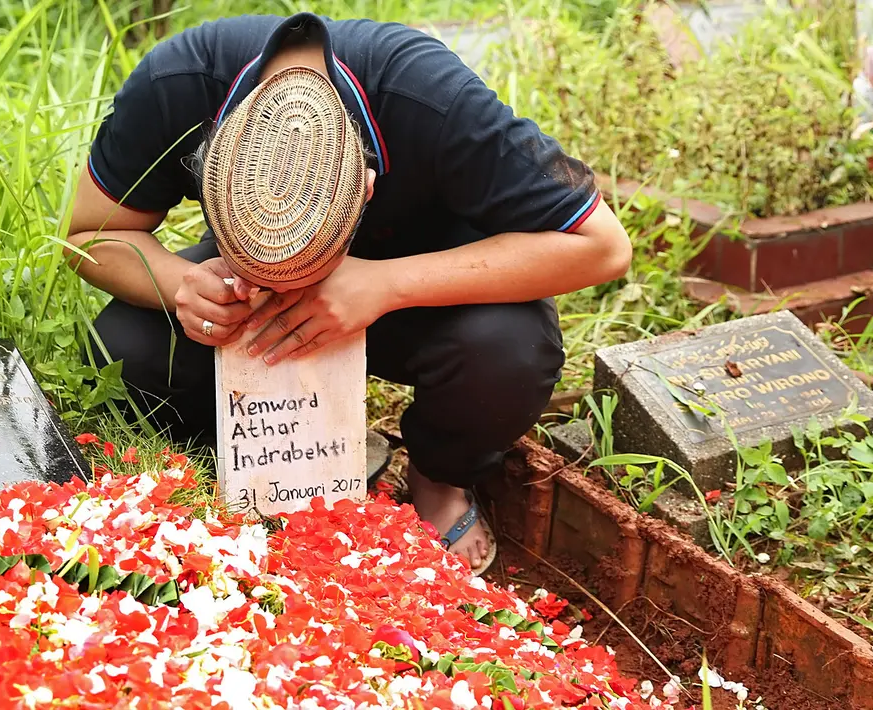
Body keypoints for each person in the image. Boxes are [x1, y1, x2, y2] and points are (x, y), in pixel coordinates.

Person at [65, 12, 632, 573]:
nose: (298, 290)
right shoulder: (177, 84)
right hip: (243, 296)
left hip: (424, 278)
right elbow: (88, 233)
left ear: (366, 185)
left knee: (509, 349)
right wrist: (182, 286)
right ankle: (266, 462)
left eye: (308, 266)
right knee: (123, 348)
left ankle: (438, 478)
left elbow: (603, 246)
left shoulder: (432, 98)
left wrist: (386, 284)